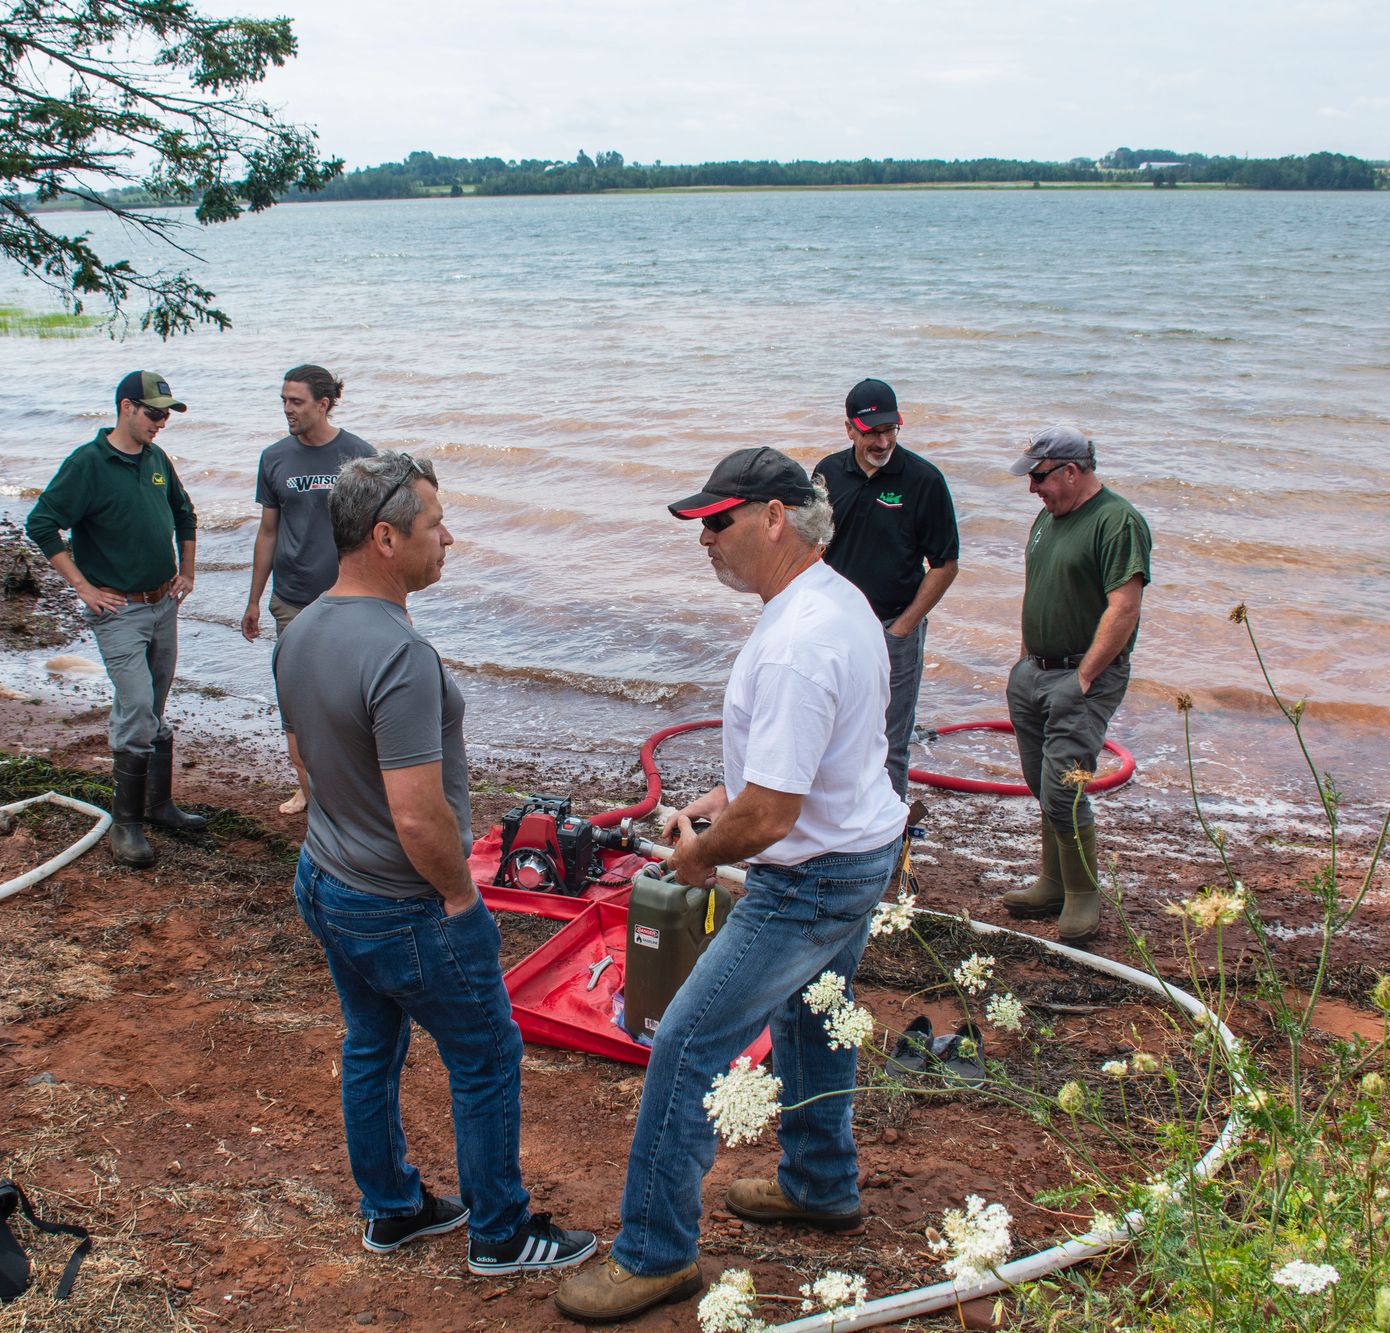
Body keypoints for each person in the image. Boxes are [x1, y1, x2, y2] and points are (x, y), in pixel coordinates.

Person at [555, 447, 908, 1324]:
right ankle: (822, 1184)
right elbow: (801, 767)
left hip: (810, 880)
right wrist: (716, 803)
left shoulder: (795, 641)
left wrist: (699, 856)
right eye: (700, 524)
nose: (704, 538)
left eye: (719, 521)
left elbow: (779, 814)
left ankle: (654, 1253)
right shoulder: (835, 599)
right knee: (815, 1013)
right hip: (861, 855)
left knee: (683, 1045)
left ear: (775, 517)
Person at [274, 451, 597, 1278]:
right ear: (384, 537)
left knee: (370, 1042)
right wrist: (461, 897)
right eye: (433, 525)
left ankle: (392, 1207)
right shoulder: (399, 655)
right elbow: (419, 815)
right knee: (487, 1055)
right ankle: (500, 1231)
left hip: (326, 876)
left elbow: (307, 760)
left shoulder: (302, 627)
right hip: (401, 902)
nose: (449, 538)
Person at [26, 370, 208, 867]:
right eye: (154, 412)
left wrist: (186, 573)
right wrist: (84, 587)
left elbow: (185, 514)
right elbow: (41, 523)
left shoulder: (155, 459)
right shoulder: (87, 464)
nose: (162, 421)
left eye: (167, 413)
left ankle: (160, 805)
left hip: (162, 604)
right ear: (127, 407)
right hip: (119, 610)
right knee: (136, 703)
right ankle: (125, 826)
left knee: (155, 702)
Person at [999, 426, 1152, 944]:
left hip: (1082, 676)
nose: (1032, 488)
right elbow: (1039, 591)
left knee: (1065, 786)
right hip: (1035, 671)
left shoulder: (1117, 521)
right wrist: (1023, 665)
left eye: (1040, 477)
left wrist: (1083, 678)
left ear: (1071, 471)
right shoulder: (1047, 518)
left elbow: (1124, 607)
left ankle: (1084, 894)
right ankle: (1052, 882)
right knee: (1040, 779)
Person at [812, 377, 961, 798]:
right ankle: (835, 829)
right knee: (829, 731)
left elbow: (945, 565)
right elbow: (811, 546)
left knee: (891, 745)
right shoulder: (826, 473)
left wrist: (902, 629)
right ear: (849, 429)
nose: (881, 441)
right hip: (834, 628)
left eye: (889, 430)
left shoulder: (923, 480)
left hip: (894, 625)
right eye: (871, 431)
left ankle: (888, 846)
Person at [242, 364, 377, 816]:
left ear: (324, 403)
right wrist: (254, 599)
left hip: (351, 599)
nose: (287, 409)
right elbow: (267, 532)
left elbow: (381, 531)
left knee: (354, 696)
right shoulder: (275, 457)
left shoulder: (359, 455)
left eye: (296, 401)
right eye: (283, 400)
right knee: (297, 700)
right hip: (293, 599)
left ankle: (357, 787)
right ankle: (307, 789)